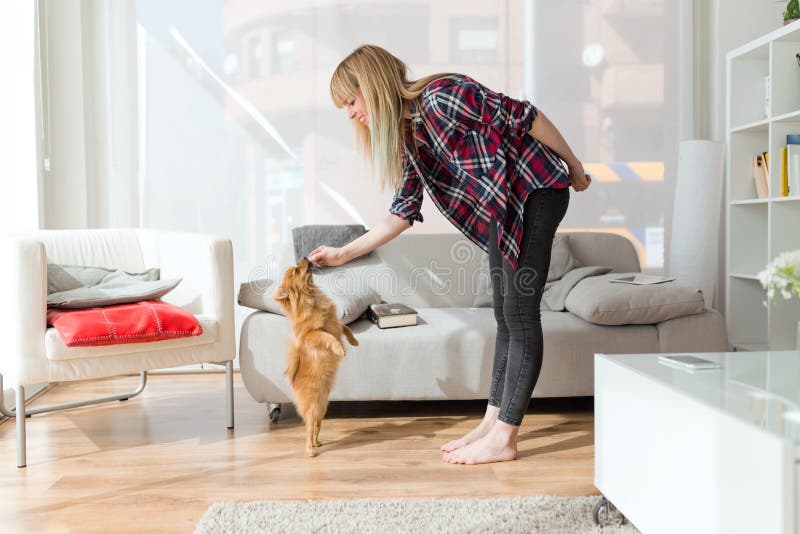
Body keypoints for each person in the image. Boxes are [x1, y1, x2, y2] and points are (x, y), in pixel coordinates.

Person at [309, 44, 591, 465]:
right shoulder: (410, 137)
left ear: (372, 85)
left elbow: (525, 116)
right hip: (507, 207)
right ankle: (492, 424)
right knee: (504, 315)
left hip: (537, 191)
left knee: (520, 315)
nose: (350, 113)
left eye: (352, 100)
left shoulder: (443, 97)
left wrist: (574, 165)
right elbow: (401, 213)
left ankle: (505, 438)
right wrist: (343, 253)